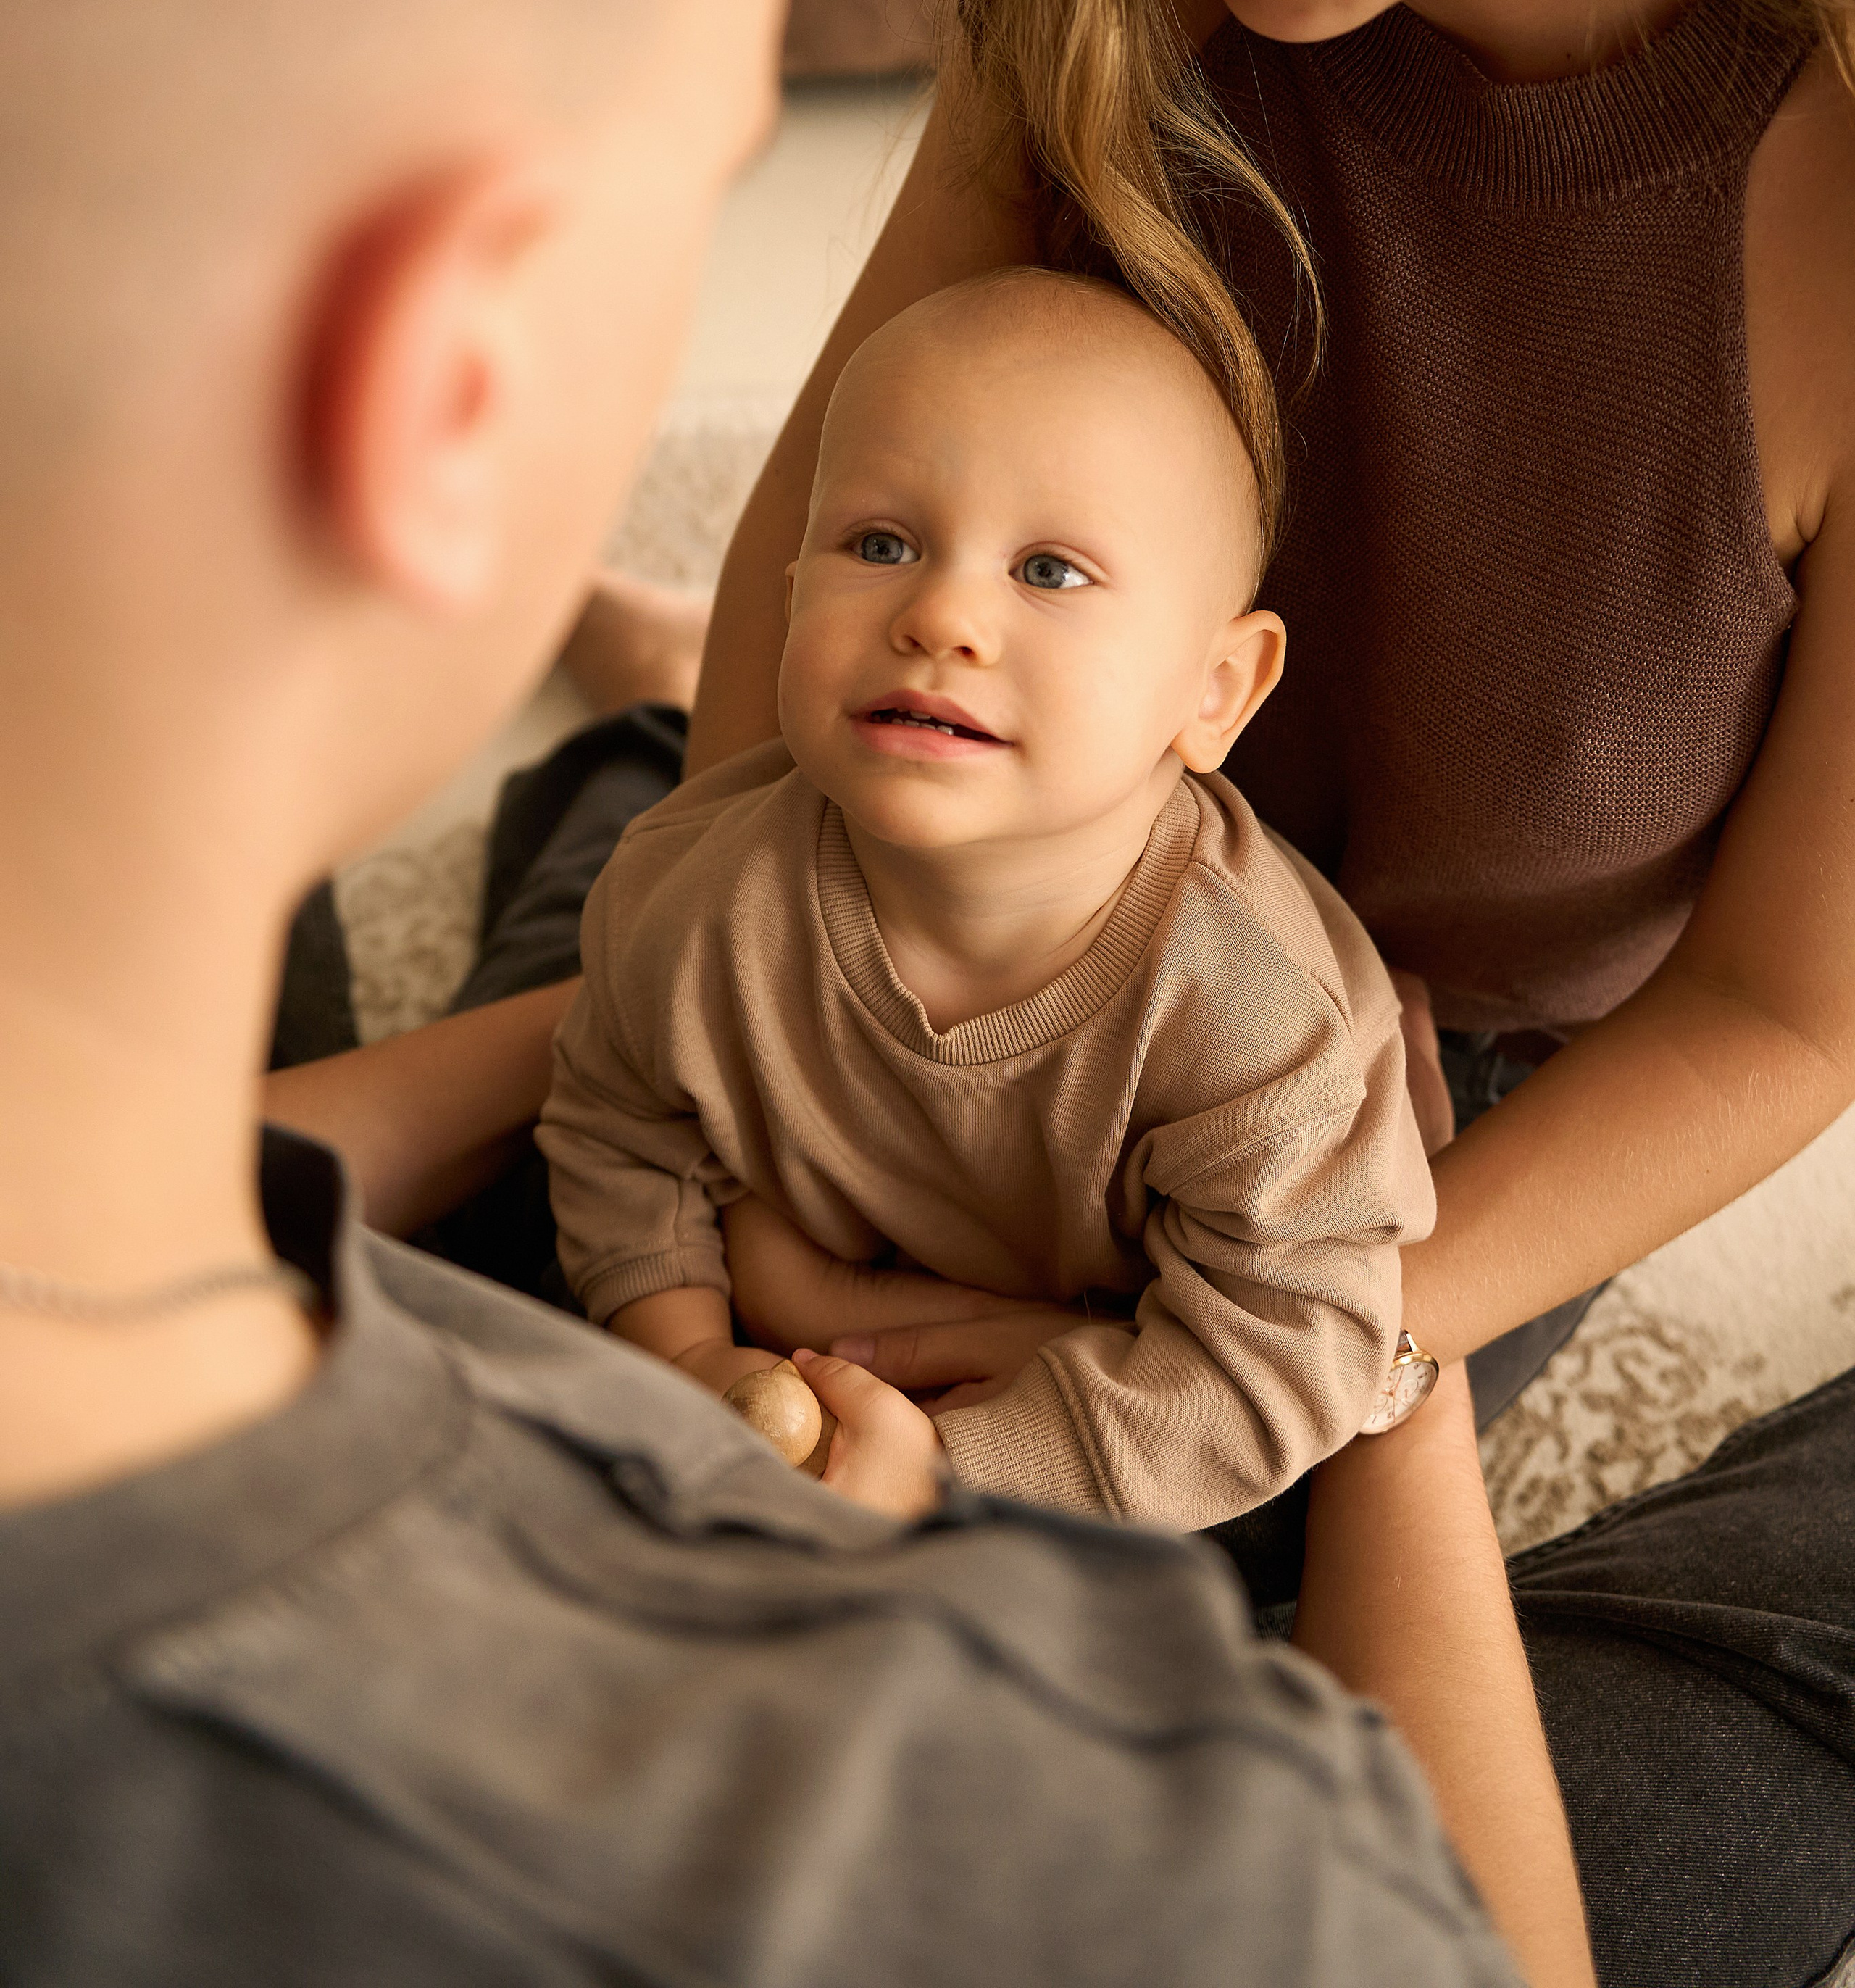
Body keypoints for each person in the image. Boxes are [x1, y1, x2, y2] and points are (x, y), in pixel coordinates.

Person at [0, 0, 1596, 1984]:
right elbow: (637, 1078)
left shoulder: (1252, 1015)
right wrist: (724, 1375)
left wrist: (1351, 1326)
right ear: (454, 375)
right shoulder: (1162, 1865)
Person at [540, 270, 1433, 1526]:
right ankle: (636, 691)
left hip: (1119, 1327)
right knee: (567, 899)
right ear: (792, 591)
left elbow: (1283, 1356)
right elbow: (614, 1132)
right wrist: (682, 1352)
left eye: (1052, 572)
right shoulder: (690, 895)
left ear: (1217, 690)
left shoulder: (1261, 1029)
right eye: (882, 544)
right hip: (844, 1250)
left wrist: (959, 1479)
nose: (941, 615)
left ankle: (647, 674)